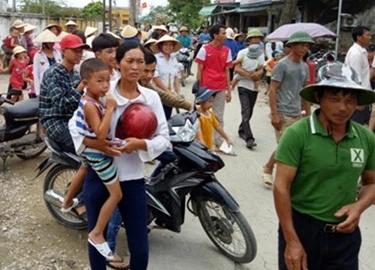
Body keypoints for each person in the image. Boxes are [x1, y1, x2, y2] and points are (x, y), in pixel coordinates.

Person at [69, 41, 169, 270]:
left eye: (140, 62)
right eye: (129, 61)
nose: (135, 67)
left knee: (140, 248)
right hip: (100, 178)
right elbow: (74, 126)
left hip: (132, 180)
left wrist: (142, 143)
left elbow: (164, 137)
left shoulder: (150, 98)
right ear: (118, 63)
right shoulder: (103, 91)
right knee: (98, 241)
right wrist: (99, 145)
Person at [274, 62, 375, 270]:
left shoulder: (365, 137)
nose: (343, 107)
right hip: (302, 229)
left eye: (350, 100)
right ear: (319, 98)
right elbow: (281, 187)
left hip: (345, 235)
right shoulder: (297, 134)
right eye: (334, 99)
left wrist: (358, 206)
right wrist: (291, 241)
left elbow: (372, 182)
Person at [63, 58, 123, 261]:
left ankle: (66, 201)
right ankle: (97, 233)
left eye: (107, 80)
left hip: (87, 153)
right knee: (116, 195)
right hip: (97, 153)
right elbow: (99, 134)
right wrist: (111, 109)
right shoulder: (91, 105)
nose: (105, 85)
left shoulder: (91, 99)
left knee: (83, 169)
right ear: (86, 83)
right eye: (100, 81)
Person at [262, 31, 313, 187]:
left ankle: (272, 169)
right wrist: (274, 114)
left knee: (293, 146)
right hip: (283, 112)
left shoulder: (304, 67)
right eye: (302, 45)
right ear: (292, 46)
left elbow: (306, 92)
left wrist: (308, 115)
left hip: (297, 112)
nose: (305, 48)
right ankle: (270, 169)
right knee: (286, 145)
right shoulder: (282, 65)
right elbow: (273, 90)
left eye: (307, 45)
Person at [195, 24, 232, 152]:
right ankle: (201, 140)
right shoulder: (204, 49)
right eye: (222, 33)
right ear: (215, 35)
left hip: (220, 87)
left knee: (218, 116)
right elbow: (199, 69)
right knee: (202, 114)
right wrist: (198, 87)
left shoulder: (227, 51)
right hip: (206, 87)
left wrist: (229, 90)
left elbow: (227, 70)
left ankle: (218, 144)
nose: (225, 36)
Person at [233, 29, 265, 149]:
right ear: (249, 40)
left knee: (249, 111)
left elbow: (262, 68)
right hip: (243, 85)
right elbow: (236, 68)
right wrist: (249, 75)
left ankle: (242, 129)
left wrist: (259, 73)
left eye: (258, 38)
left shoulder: (261, 54)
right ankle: (249, 138)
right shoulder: (242, 52)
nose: (256, 40)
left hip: (254, 87)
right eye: (254, 37)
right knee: (246, 111)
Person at [345, 26, 372, 126]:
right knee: (354, 126)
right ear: (359, 37)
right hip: (358, 98)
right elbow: (355, 79)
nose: (370, 37)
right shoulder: (355, 54)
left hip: (363, 96)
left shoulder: (362, 52)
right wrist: (357, 101)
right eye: (367, 35)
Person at [151, 35, 182, 119]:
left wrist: (177, 92)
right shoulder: (156, 58)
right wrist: (167, 91)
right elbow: (155, 77)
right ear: (161, 46)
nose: (168, 47)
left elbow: (175, 77)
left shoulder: (173, 59)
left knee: (167, 117)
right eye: (166, 45)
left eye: (171, 45)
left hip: (170, 94)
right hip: (158, 93)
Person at [195, 87, 232, 151]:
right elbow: (198, 133)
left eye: (212, 102)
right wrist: (203, 146)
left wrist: (226, 138)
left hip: (209, 147)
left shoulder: (210, 114)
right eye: (209, 102)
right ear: (201, 102)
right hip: (199, 148)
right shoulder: (197, 116)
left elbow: (218, 127)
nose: (211, 104)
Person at [33, 29, 63, 96]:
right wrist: (37, 91)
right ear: (45, 43)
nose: (52, 44)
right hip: (44, 84)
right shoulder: (38, 55)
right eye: (50, 42)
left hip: (57, 83)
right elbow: (36, 73)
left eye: (53, 42)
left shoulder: (57, 53)